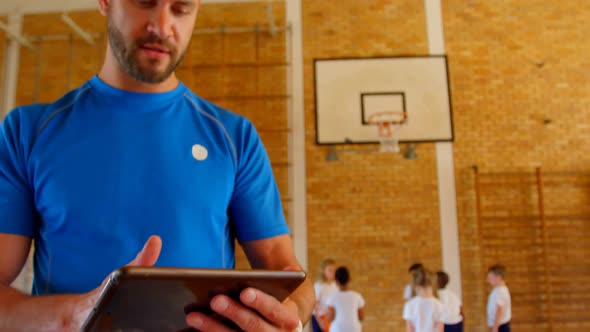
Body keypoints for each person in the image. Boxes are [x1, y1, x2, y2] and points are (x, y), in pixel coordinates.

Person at [0, 0, 314, 330]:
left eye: (180, 9)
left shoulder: (235, 138)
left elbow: (291, 275)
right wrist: (75, 315)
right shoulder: (27, 132)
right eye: (146, 2)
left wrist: (286, 316)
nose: (163, 26)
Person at [403, 267, 444, 332]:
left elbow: (410, 329)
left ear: (416, 285)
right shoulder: (438, 304)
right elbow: (440, 330)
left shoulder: (409, 305)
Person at [325, 266, 365, 332]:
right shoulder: (357, 296)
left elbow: (330, 317)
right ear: (349, 279)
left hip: (338, 329)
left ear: (336, 281)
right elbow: (361, 316)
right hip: (354, 329)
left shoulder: (332, 297)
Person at [312, 258, 338, 332]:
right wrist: (320, 321)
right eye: (330, 270)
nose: (333, 272)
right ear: (323, 271)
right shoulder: (319, 286)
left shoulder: (336, 285)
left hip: (331, 318)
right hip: (319, 317)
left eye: (334, 270)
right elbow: (314, 305)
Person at [486, 264, 511, 332]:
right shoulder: (498, 290)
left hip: (500, 326)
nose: (488, 280)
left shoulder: (500, 291)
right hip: (499, 325)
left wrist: (495, 327)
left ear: (498, 277)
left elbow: (499, 309)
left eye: (490, 278)